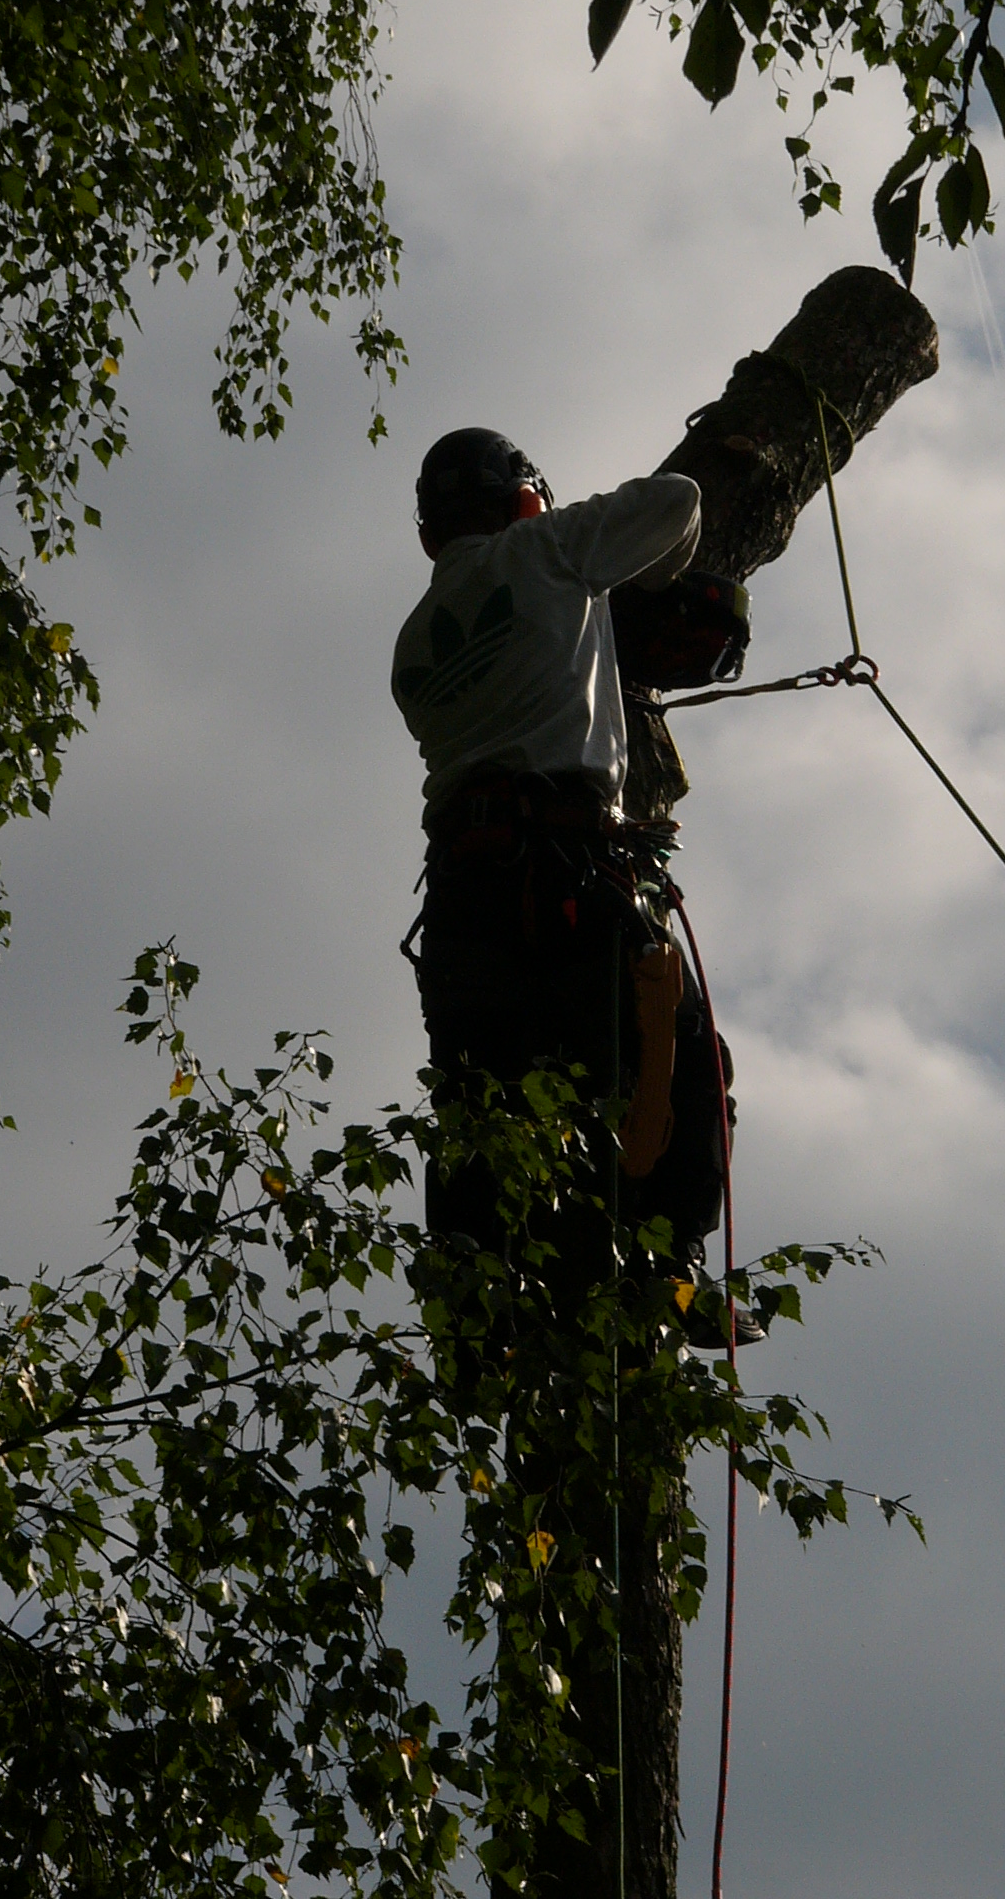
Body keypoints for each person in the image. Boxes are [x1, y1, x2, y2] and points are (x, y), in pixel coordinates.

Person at [392, 426, 751, 1337]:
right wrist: (631, 581)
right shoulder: (550, 549)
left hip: (466, 905)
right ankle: (668, 1273)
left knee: (478, 1099)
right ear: (522, 499)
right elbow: (679, 501)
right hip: (568, 874)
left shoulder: (413, 644)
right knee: (681, 1052)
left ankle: (472, 1313)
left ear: (432, 532)